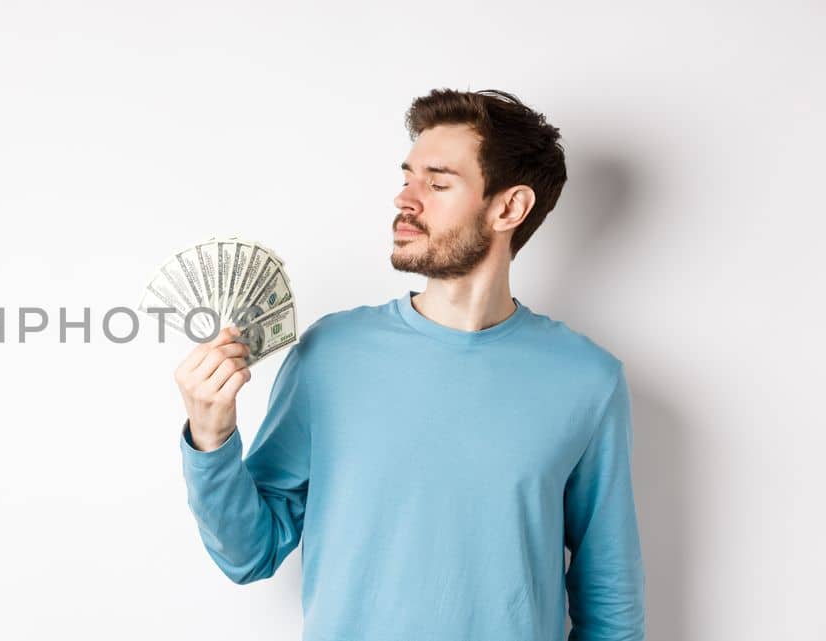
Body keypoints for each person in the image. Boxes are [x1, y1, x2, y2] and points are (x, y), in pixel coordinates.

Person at [176, 88, 646, 641]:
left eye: (438, 183)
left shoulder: (587, 380)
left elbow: (609, 599)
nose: (406, 198)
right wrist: (211, 435)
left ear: (509, 207)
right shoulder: (332, 353)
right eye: (407, 176)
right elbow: (248, 554)